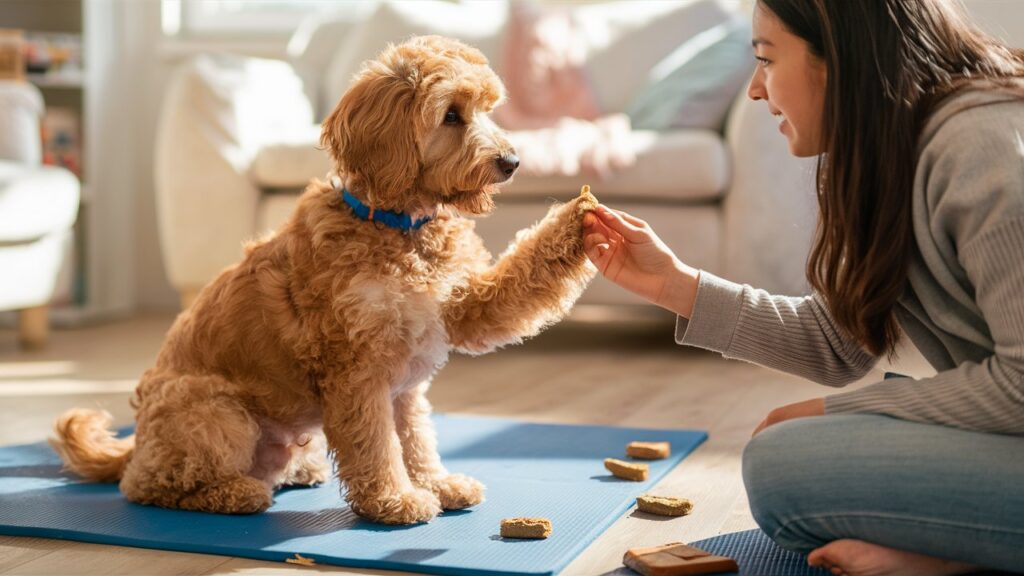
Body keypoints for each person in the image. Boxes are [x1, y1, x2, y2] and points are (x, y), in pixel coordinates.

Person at [582, 0, 1024, 574]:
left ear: (836, 60)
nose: (755, 92)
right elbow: (834, 342)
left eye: (766, 59)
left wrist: (841, 410)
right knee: (789, 457)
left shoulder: (980, 146)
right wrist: (675, 285)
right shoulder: (885, 154)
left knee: (784, 465)